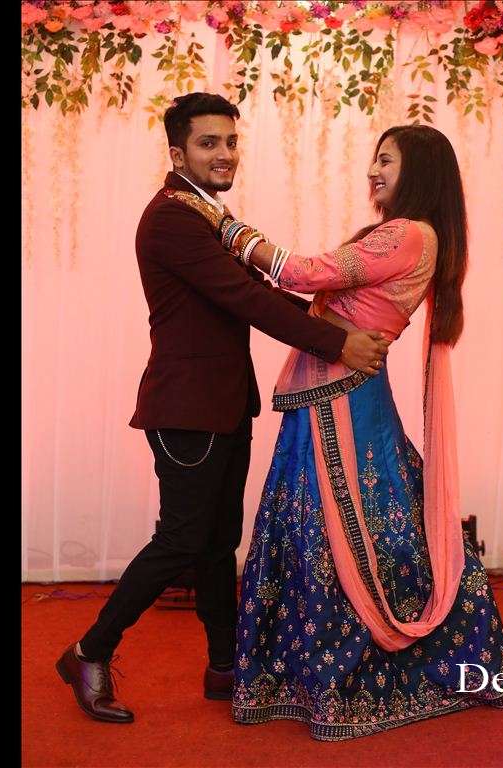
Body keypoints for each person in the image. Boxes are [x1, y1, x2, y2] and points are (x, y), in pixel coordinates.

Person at [175, 124, 503, 740]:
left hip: (343, 403)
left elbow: (304, 272)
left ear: (418, 171)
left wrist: (224, 226)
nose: (373, 171)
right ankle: (306, 675)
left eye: (386, 160)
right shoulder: (407, 235)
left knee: (346, 529)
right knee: (327, 526)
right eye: (374, 158)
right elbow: (314, 291)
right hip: (331, 396)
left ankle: (346, 676)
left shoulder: (408, 234)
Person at [55, 92, 391, 724]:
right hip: (187, 411)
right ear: (177, 152)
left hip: (224, 406)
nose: (224, 154)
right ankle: (88, 653)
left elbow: (257, 291)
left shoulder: (207, 213)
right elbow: (246, 299)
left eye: (231, 142)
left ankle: (224, 667)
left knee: (217, 545)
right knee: (181, 541)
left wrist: (335, 321)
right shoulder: (172, 218)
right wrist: (337, 342)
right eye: (208, 143)